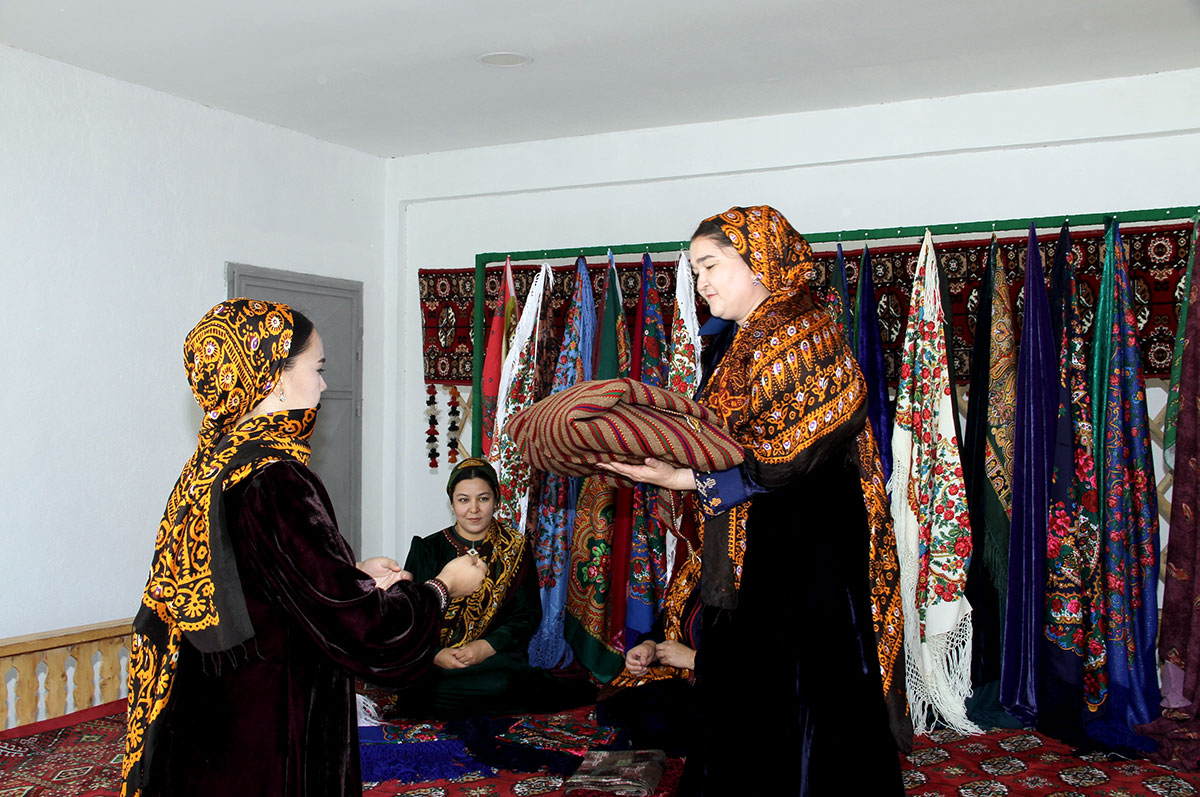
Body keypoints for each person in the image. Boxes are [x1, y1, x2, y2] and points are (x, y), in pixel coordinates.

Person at [121, 299, 486, 797]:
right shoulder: (278, 481)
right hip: (270, 723)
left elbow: (244, 580)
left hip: (209, 715)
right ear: (274, 379)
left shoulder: (214, 463)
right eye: (317, 369)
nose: (323, 385)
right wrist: (442, 588)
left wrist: (351, 571)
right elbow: (364, 629)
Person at [600, 206, 904, 795]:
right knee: (749, 687)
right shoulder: (741, 342)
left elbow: (787, 458)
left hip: (806, 546)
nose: (701, 282)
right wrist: (671, 470)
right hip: (762, 540)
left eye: (711, 265)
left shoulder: (802, 332)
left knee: (804, 689)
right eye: (694, 271)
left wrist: (686, 475)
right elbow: (732, 452)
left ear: (759, 260)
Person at [391, 457, 595, 718]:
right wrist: (437, 654)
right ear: (452, 503)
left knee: (502, 683)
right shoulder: (428, 549)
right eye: (463, 500)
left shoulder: (515, 547)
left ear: (496, 501)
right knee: (415, 690)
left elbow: (526, 615)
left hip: (493, 660)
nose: (473, 509)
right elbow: (411, 617)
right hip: (435, 662)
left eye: (483, 499)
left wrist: (484, 647)